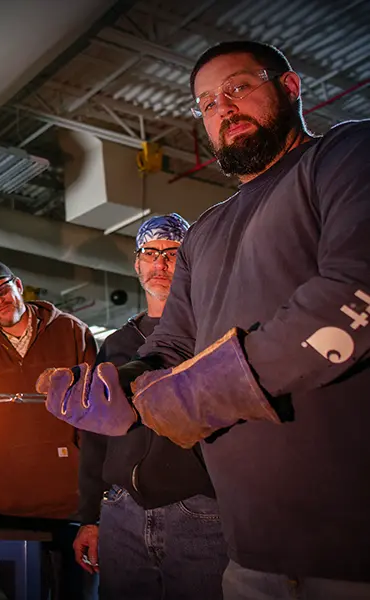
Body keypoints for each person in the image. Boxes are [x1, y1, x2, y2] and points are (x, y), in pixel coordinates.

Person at [41, 40, 370, 600]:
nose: (224, 108)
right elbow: (173, 343)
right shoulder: (209, 230)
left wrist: (202, 391)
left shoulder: (344, 154)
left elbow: (352, 294)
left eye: (238, 88)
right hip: (246, 554)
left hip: (348, 549)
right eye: (208, 103)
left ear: (289, 88)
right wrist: (121, 387)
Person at [73, 213, 227, 600]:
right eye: (150, 252)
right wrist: (90, 517)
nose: (160, 263)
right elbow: (94, 439)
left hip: (199, 511)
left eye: (173, 253)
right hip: (121, 512)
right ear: (137, 263)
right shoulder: (117, 343)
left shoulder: (213, 331)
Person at [0, 259, 98, 600]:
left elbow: (95, 413)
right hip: (7, 508)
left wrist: (84, 471)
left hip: (71, 506)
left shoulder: (71, 332)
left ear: (18, 285)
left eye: (2, 290)